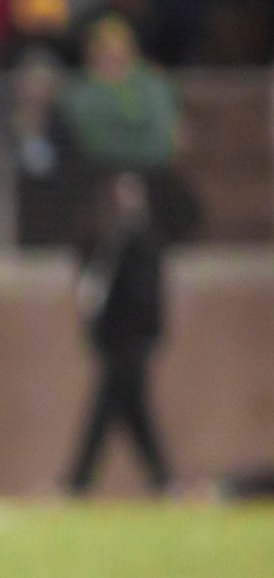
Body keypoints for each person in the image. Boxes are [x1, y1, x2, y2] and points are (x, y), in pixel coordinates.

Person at [65, 172, 172, 495]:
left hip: (130, 342)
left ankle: (78, 483)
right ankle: (163, 481)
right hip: (114, 342)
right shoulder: (107, 242)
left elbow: (146, 296)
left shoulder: (141, 243)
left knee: (107, 410)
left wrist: (148, 334)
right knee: (133, 414)